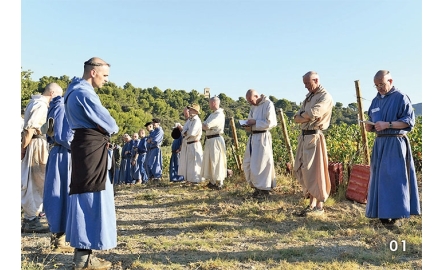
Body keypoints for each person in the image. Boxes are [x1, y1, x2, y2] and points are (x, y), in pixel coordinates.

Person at [64, 57, 119, 269]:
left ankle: (85, 255)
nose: (106, 80)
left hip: (84, 146)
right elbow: (110, 124)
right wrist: (111, 129)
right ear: (93, 72)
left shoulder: (72, 91)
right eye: (105, 76)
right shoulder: (83, 93)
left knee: (85, 194)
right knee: (90, 196)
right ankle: (83, 259)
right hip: (91, 148)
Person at [364, 70, 421, 229]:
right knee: (380, 178)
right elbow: (373, 121)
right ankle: (382, 215)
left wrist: (388, 124)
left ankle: (397, 216)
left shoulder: (401, 97)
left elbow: (408, 121)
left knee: (395, 178)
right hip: (380, 143)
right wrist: (370, 127)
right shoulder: (375, 101)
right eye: (376, 85)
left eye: (381, 84)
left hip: (396, 143)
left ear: (390, 80)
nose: (379, 88)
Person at [21, 82, 63, 233]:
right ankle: (31, 219)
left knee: (36, 181)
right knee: (36, 181)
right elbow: (30, 129)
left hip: (35, 143)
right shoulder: (40, 105)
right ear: (52, 93)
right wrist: (23, 149)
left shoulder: (35, 103)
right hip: (36, 144)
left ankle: (30, 218)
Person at [293, 71, 334, 216]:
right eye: (304, 84)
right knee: (304, 170)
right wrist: (303, 116)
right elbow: (297, 117)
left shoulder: (324, 96)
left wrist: (303, 116)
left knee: (316, 172)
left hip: (314, 137)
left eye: (308, 84)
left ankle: (319, 207)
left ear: (316, 80)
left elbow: (311, 115)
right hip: (304, 137)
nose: (306, 87)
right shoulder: (310, 96)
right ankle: (311, 205)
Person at [42, 89, 75, 253]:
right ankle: (59, 238)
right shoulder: (61, 106)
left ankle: (58, 236)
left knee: (57, 192)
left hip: (58, 153)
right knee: (60, 194)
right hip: (63, 154)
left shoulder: (55, 107)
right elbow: (63, 136)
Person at [243, 89, 277, 198]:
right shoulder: (253, 107)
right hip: (253, 136)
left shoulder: (268, 104)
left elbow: (271, 122)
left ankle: (264, 189)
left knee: (262, 163)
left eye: (251, 100)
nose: (250, 103)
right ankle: (256, 188)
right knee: (251, 163)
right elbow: (250, 120)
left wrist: (255, 122)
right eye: (248, 101)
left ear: (257, 96)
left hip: (263, 137)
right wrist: (247, 125)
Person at [201, 96, 227, 190]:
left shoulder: (219, 115)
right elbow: (204, 125)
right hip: (210, 139)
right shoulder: (212, 114)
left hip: (216, 139)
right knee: (210, 160)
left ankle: (219, 182)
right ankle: (212, 181)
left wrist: (204, 125)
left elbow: (207, 125)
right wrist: (203, 125)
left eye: (210, 103)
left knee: (217, 160)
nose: (209, 105)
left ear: (214, 103)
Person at [178, 104, 204, 185]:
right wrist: (185, 132)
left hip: (194, 143)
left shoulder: (197, 120)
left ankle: (195, 180)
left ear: (196, 111)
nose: (189, 111)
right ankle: (189, 179)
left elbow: (192, 132)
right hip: (188, 143)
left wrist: (186, 132)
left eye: (191, 110)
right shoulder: (189, 120)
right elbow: (183, 131)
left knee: (194, 162)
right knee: (188, 162)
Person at [145, 118, 164, 183]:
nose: (153, 124)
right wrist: (150, 140)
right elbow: (148, 140)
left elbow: (155, 141)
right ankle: (151, 178)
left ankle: (157, 177)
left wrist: (151, 140)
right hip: (150, 149)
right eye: (153, 122)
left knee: (155, 163)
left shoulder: (159, 131)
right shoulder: (154, 131)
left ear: (158, 123)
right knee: (149, 164)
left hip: (155, 148)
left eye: (155, 122)